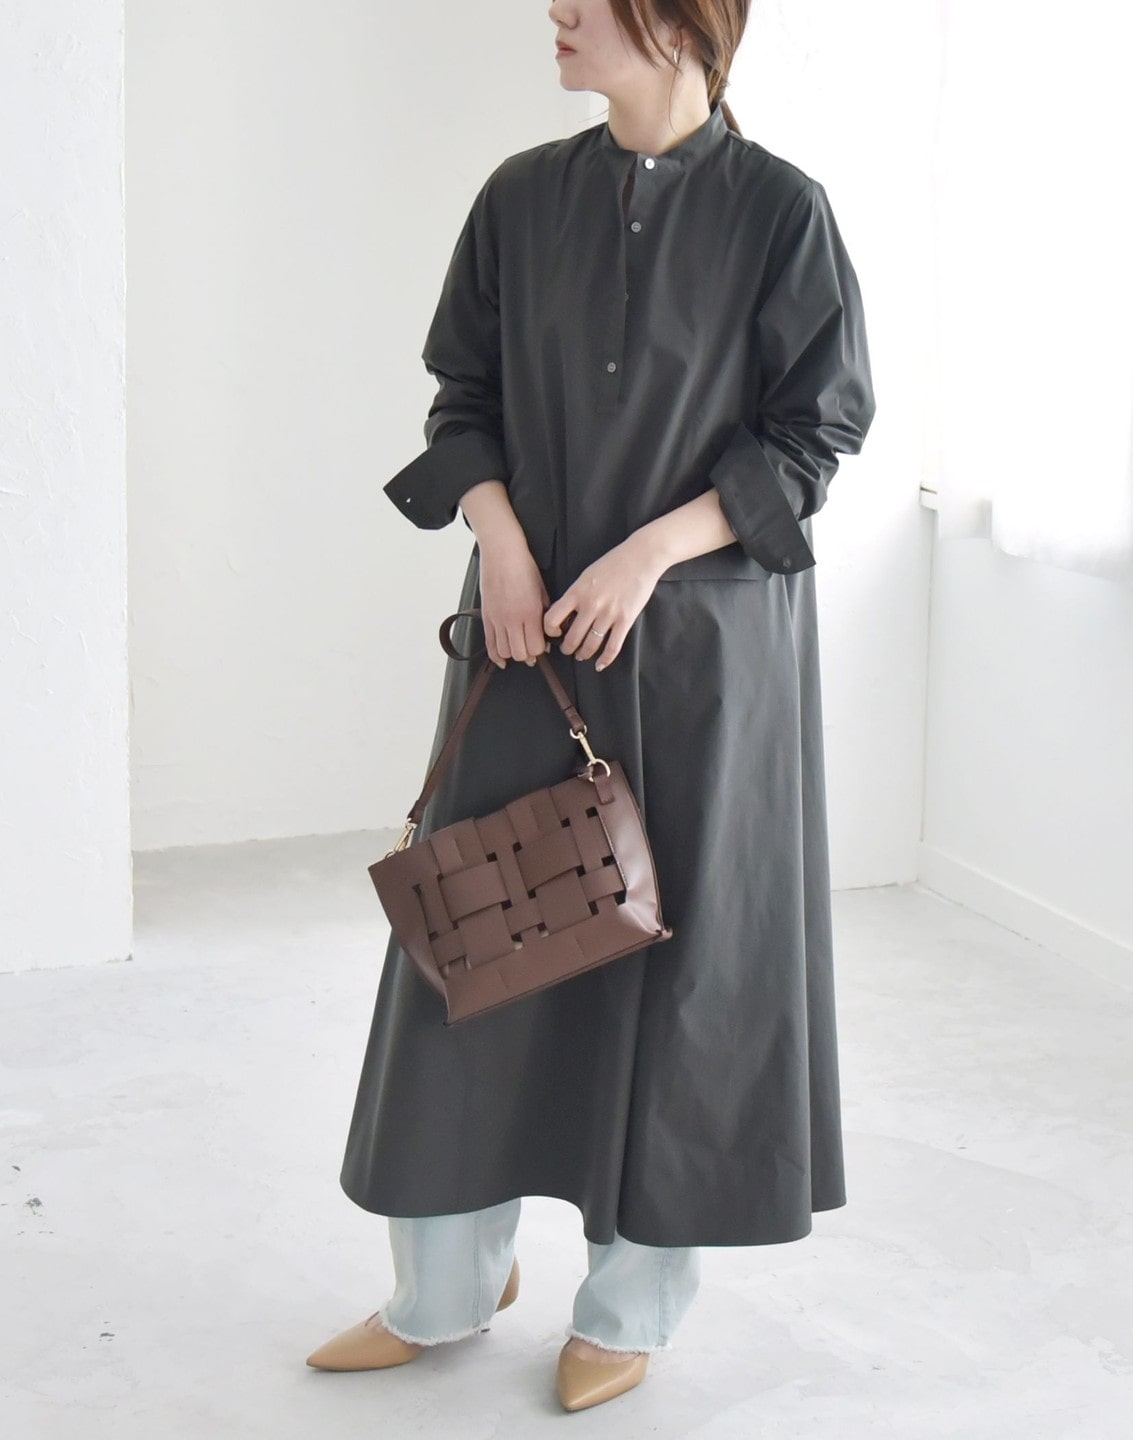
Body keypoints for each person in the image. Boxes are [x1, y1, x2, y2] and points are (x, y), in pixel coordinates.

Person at [306, 0, 875, 1413]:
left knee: (677, 978)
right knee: (474, 942)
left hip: (703, 661)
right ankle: (444, 1289)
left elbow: (814, 434)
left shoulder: (782, 214)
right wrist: (500, 540)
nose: (556, 13)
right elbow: (462, 400)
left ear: (681, 21)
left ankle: (628, 1309)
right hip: (529, 644)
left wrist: (648, 554)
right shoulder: (519, 200)